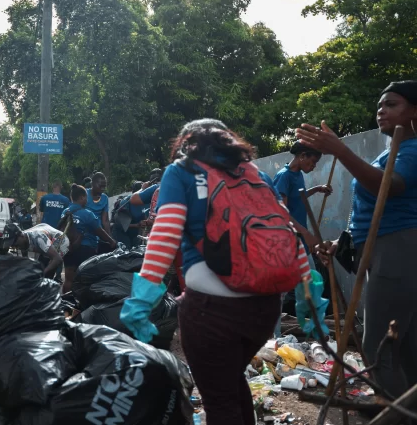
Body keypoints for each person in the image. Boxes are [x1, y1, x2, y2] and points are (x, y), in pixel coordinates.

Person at [120, 119, 311, 425]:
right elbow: (287, 232)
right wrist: (307, 292)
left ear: (186, 144)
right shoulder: (256, 174)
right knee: (232, 383)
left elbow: (164, 236)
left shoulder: (182, 171)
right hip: (265, 309)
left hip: (212, 312)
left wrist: (141, 300)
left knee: (220, 402)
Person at [303, 80, 417, 400]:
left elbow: (388, 188)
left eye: (392, 104)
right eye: (380, 104)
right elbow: (368, 213)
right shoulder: (388, 152)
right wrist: (342, 247)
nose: (381, 110)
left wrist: (341, 150)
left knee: (377, 348)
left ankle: (398, 416)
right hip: (385, 246)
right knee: (404, 345)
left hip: (398, 249)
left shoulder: (412, 149)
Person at [273, 142, 332, 253]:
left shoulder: (298, 174)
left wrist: (318, 189)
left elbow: (299, 197)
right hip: (290, 240)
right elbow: (281, 212)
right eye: (313, 161)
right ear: (302, 156)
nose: (314, 166)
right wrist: (305, 233)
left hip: (300, 237)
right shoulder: (284, 176)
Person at [61, 184, 117, 293]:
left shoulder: (65, 212)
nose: (87, 200)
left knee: (68, 279)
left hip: (67, 248)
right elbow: (100, 232)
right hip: (86, 250)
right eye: (86, 197)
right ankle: (82, 306)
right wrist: (111, 241)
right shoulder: (87, 214)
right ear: (82, 198)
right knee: (86, 280)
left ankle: (65, 304)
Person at [3, 222, 70, 278]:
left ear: (21, 236)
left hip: (60, 241)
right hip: (45, 241)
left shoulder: (38, 238)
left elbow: (58, 259)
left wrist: (43, 273)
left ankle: (56, 281)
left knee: (48, 269)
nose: (14, 247)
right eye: (12, 245)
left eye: (15, 243)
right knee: (38, 267)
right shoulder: (23, 240)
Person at [87, 172, 113, 254]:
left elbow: (105, 221)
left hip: (99, 233)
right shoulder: (84, 195)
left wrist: (110, 238)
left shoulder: (105, 198)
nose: (102, 189)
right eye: (100, 186)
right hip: (85, 233)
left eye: (104, 187)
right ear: (93, 184)